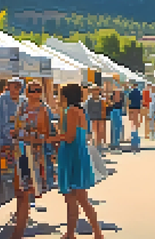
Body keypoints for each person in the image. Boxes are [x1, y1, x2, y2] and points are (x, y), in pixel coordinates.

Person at [55, 83, 103, 239]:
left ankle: (93, 232)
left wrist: (51, 138)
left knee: (75, 198)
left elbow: (69, 136)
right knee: (78, 198)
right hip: (78, 154)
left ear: (66, 96)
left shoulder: (71, 111)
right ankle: (75, 233)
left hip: (72, 155)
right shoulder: (80, 111)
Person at [11, 81, 50, 239]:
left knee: (26, 193)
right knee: (19, 192)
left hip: (32, 154)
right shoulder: (22, 107)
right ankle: (18, 228)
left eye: (38, 90)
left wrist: (29, 135)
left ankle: (17, 233)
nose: (35, 93)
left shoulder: (43, 110)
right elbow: (16, 125)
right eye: (32, 90)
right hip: (19, 152)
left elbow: (44, 135)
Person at [0, 78, 26, 207]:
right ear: (8, 87)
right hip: (5, 144)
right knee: (7, 175)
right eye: (14, 86)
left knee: (22, 174)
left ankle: (21, 205)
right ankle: (8, 202)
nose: (16, 89)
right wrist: (0, 143)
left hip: (22, 144)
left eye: (19, 86)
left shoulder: (24, 101)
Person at [128, 83, 143, 152]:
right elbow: (141, 100)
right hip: (137, 107)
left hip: (132, 107)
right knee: (136, 119)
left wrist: (128, 108)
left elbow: (129, 100)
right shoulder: (139, 92)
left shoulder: (131, 92)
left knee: (132, 120)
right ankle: (136, 129)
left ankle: (133, 130)